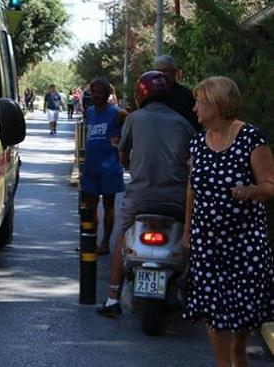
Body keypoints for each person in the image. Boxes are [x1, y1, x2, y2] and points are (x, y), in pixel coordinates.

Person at [182, 76, 273, 367]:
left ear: (218, 105)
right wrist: (187, 229)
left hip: (244, 241)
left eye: (200, 102)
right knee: (212, 306)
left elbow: (270, 185)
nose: (195, 108)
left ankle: (238, 350)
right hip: (207, 240)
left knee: (244, 306)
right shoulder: (198, 143)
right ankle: (224, 362)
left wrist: (253, 190)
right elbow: (192, 189)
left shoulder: (251, 138)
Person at [97, 71, 196, 316]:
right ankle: (189, 290)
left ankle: (112, 298)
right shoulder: (183, 123)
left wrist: (129, 163)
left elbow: (123, 153)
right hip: (175, 198)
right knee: (190, 237)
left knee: (122, 236)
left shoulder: (134, 118)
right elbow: (192, 162)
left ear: (141, 94)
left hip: (140, 197)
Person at [81, 78, 127, 255]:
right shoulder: (89, 112)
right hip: (91, 167)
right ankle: (90, 241)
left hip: (110, 168)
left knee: (109, 206)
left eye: (100, 92)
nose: (96, 96)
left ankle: (106, 243)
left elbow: (130, 130)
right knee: (90, 207)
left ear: (107, 94)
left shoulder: (118, 113)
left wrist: (121, 144)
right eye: (93, 92)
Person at [154, 55, 201, 131]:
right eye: (158, 71)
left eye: (164, 71)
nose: (160, 74)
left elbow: (194, 125)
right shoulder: (151, 95)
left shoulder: (186, 95)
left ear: (174, 72)